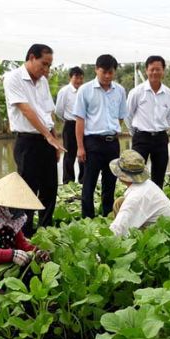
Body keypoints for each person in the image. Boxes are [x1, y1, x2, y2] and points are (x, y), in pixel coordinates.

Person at [4, 44, 65, 236]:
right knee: (27, 191)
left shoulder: (43, 82)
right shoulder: (13, 78)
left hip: (47, 140)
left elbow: (48, 114)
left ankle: (45, 230)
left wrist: (54, 139)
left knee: (50, 188)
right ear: (31, 57)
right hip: (27, 142)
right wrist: (48, 136)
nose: (46, 70)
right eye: (43, 64)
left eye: (49, 66)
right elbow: (26, 110)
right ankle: (25, 233)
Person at [73, 54, 128, 218]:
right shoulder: (85, 90)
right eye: (104, 72)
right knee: (88, 184)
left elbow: (120, 116)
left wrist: (110, 127)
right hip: (93, 143)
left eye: (111, 72)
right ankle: (87, 219)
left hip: (112, 142)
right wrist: (80, 147)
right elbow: (80, 120)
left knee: (110, 184)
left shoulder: (120, 91)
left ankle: (107, 217)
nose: (107, 76)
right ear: (96, 70)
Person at [126, 55, 170, 186]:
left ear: (163, 71)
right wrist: (135, 133)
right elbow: (128, 115)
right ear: (146, 70)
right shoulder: (137, 92)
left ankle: (155, 203)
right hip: (141, 138)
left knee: (158, 177)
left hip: (160, 139)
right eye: (152, 69)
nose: (155, 72)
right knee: (136, 175)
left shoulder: (169, 94)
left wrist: (163, 129)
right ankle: (136, 203)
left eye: (158, 69)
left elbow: (169, 117)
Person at [109, 150, 170, 236]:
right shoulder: (147, 184)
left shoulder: (136, 197)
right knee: (119, 202)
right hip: (161, 227)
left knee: (122, 228)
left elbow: (117, 230)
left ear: (123, 175)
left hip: (162, 237)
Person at [54, 67, 85, 184]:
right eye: (76, 77)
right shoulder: (64, 91)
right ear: (70, 78)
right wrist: (68, 120)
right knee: (69, 154)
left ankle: (83, 180)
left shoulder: (85, 90)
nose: (79, 80)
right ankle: (68, 181)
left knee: (83, 153)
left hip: (83, 125)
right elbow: (58, 111)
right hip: (70, 125)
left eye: (81, 78)